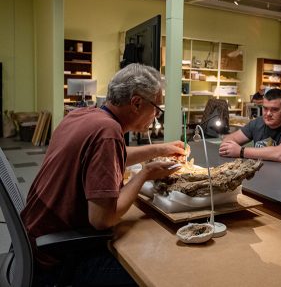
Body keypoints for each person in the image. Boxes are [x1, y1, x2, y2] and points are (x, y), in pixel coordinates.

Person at [22, 63, 188, 286]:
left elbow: (112, 155)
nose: (157, 115)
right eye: (157, 108)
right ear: (137, 103)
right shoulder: (108, 133)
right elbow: (102, 220)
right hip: (56, 260)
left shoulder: (83, 115)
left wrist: (161, 149)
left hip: (34, 243)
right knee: (153, 270)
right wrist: (144, 175)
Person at [219, 88, 281, 162]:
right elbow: (228, 140)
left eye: (274, 109)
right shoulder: (258, 122)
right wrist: (228, 147)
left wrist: (241, 151)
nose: (268, 114)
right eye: (265, 108)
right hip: (258, 174)